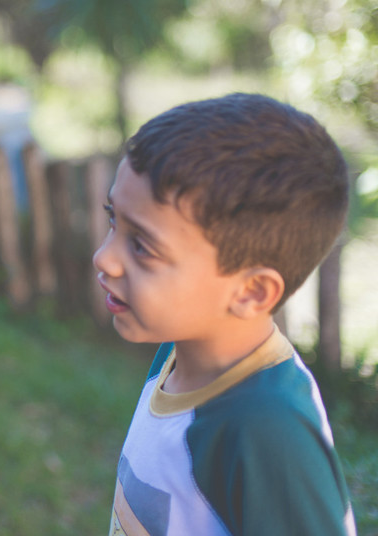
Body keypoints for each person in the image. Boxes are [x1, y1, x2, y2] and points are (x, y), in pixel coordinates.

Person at [94, 93, 357, 536]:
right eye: (114, 221)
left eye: (142, 246)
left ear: (252, 291)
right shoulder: (178, 351)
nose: (105, 259)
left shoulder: (266, 431)